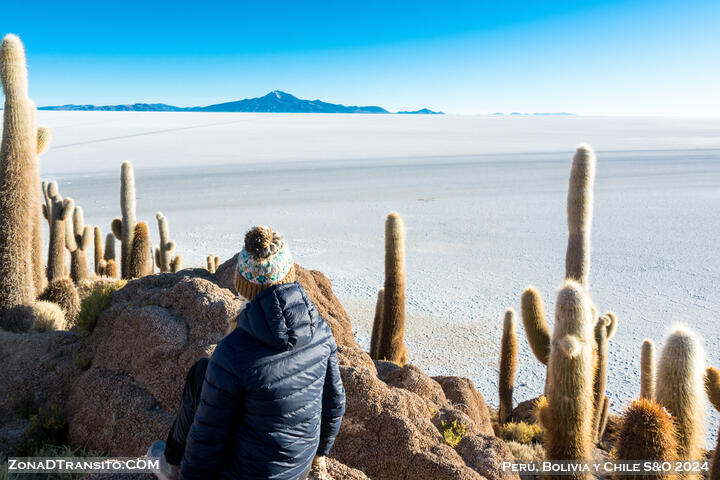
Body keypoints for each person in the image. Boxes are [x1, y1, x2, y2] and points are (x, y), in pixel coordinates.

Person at [147, 225, 346, 480]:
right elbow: (334, 402)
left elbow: (208, 436)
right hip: (299, 469)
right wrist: (318, 458)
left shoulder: (233, 352)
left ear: (243, 285)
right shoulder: (320, 330)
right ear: (289, 275)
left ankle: (170, 465)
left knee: (203, 374)